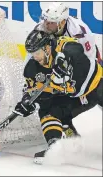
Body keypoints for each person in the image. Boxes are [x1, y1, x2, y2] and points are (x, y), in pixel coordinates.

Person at [13, 30, 103, 164]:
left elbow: (76, 48)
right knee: (46, 109)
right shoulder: (32, 69)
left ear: (47, 48)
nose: (35, 57)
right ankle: (55, 146)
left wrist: (62, 58)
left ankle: (67, 128)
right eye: (32, 54)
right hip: (74, 97)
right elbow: (33, 91)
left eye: (37, 53)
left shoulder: (60, 44)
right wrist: (27, 101)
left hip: (96, 85)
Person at [26, 2, 102, 66]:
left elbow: (89, 62)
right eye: (45, 20)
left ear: (62, 22)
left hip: (88, 58)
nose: (46, 25)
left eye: (51, 22)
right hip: (60, 55)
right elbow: (32, 52)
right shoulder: (41, 28)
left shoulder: (79, 33)